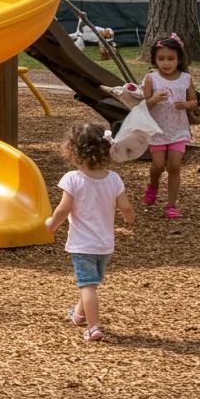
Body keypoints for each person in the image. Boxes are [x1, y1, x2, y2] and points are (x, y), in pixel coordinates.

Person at [45, 122, 134, 342]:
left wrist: (52, 224)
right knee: (89, 283)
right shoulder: (114, 179)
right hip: (105, 246)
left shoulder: (73, 179)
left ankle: (93, 328)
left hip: (83, 245)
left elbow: (63, 209)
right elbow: (126, 207)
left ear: (73, 151)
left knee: (88, 286)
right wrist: (129, 218)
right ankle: (78, 314)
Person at [142, 33, 196, 218]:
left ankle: (171, 205)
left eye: (171, 58)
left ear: (179, 58)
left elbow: (194, 102)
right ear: (155, 59)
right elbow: (143, 105)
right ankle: (153, 185)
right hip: (157, 130)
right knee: (157, 165)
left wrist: (186, 105)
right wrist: (154, 99)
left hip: (178, 130)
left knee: (174, 166)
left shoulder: (185, 78)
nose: (166, 63)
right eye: (161, 59)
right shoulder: (151, 78)